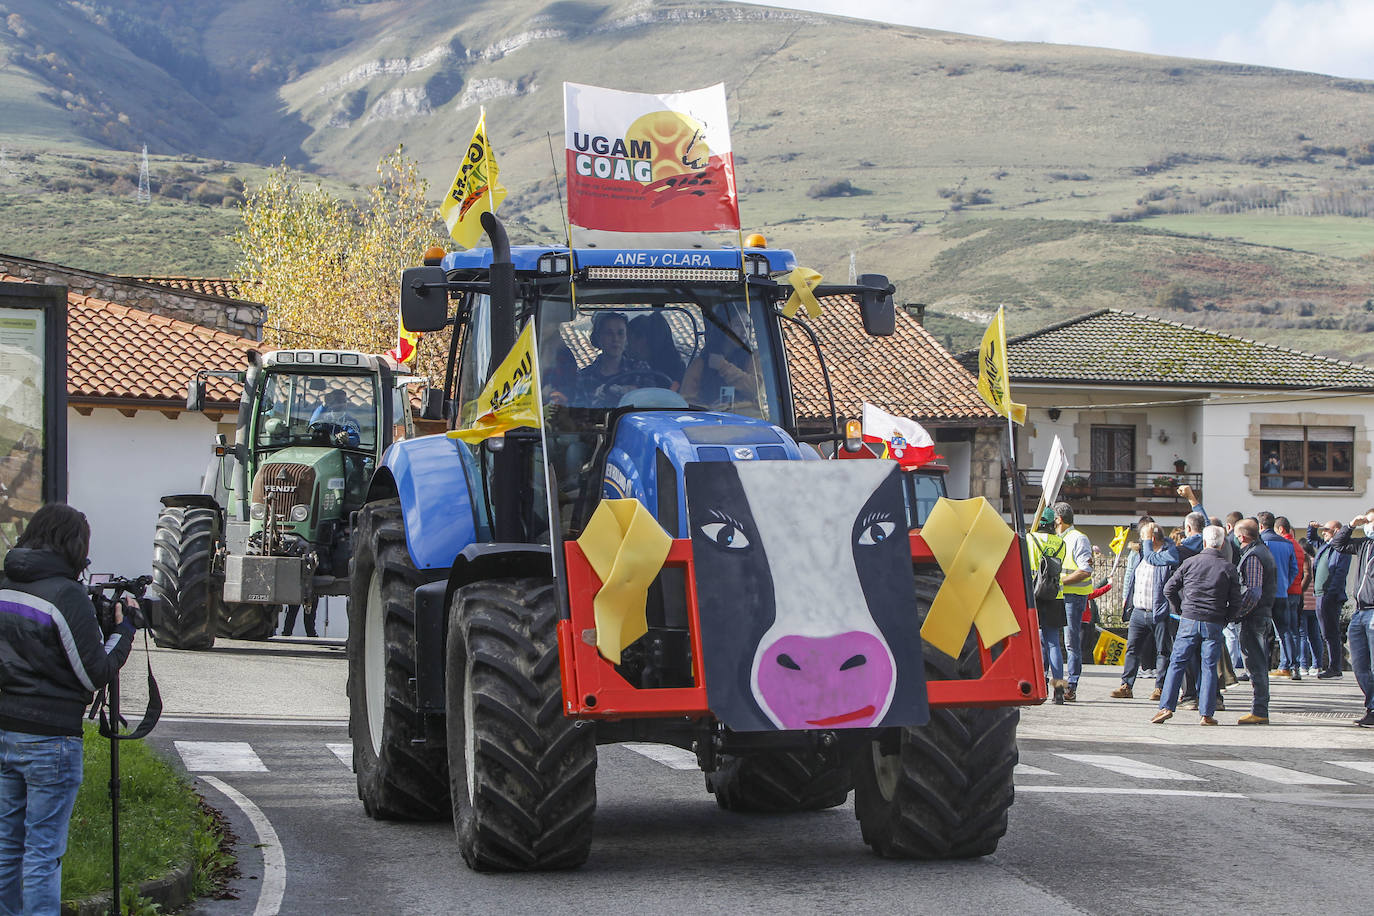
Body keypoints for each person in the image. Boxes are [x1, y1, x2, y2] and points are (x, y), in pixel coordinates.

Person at [0, 504, 136, 914]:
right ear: (74, 544)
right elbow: (94, 673)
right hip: (50, 740)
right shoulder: (65, 594)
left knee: (7, 845)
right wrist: (124, 629)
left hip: (5, 729)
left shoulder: (5, 584)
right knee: (42, 852)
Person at [1152, 526, 1241, 726]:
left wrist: (1180, 610)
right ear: (1222, 544)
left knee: (1177, 663)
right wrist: (1225, 618)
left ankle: (1166, 707)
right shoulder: (1228, 568)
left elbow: (1169, 589)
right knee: (1209, 667)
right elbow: (1236, 602)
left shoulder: (1190, 562)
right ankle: (1206, 714)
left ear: (1204, 542)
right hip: (1213, 620)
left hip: (1189, 618)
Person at [1112, 522, 1176, 701]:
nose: (1141, 541)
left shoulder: (1167, 553)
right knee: (1132, 648)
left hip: (1159, 611)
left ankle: (1160, 688)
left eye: (1144, 537)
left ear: (1153, 538)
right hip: (1139, 610)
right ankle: (1126, 685)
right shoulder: (1140, 554)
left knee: (1162, 650)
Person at [1326, 511, 1374, 727]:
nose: (1368, 524)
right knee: (1360, 665)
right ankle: (1371, 705)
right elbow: (1338, 543)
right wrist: (1352, 524)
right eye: (1367, 520)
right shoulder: (1364, 544)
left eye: (1371, 521)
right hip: (1360, 611)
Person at [1234, 518, 1278, 725]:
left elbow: (1252, 591)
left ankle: (1259, 710)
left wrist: (1237, 613)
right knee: (1257, 663)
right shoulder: (1262, 550)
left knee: (1256, 664)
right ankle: (1260, 709)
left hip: (1254, 616)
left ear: (1242, 536)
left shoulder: (1253, 556)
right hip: (1261, 614)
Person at [680, 305, 759, 410]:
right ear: (723, 328)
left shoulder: (753, 358)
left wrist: (723, 366)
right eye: (737, 325)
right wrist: (709, 409)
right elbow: (686, 401)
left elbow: (756, 390)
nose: (744, 331)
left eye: (748, 326)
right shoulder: (702, 363)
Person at [1052, 502, 1093, 702]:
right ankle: (1055, 685)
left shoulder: (1078, 539)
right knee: (1052, 641)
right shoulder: (1058, 539)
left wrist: (1059, 582)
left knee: (1070, 642)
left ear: (1059, 519)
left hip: (1073, 596)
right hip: (1059, 595)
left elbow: (1085, 570)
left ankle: (1072, 686)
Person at [1028, 509, 1069, 704]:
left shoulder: (1030, 539)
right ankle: (1059, 690)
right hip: (1055, 595)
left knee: (1034, 641)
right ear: (1054, 524)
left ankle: (1038, 686)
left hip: (1034, 595)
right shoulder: (1061, 542)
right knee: (1054, 643)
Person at [578, 311, 653, 406]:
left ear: (626, 338)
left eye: (620, 333)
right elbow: (579, 413)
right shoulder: (585, 376)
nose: (615, 339)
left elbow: (651, 402)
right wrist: (595, 402)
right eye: (609, 333)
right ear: (598, 338)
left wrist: (632, 392)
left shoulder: (641, 369)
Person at [1306, 519, 1351, 679]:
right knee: (1326, 632)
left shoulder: (1341, 548)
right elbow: (1312, 539)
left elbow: (1340, 574)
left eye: (1327, 530)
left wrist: (1331, 594)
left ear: (1337, 531)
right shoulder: (1326, 546)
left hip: (1329, 596)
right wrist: (1312, 527)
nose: (1323, 532)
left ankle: (1335, 667)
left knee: (1331, 632)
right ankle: (1333, 667)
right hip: (1320, 594)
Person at [1258, 511, 1300, 679]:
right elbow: (1294, 570)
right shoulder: (1287, 544)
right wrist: (1284, 583)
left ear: (1261, 526)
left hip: (1264, 594)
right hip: (1282, 592)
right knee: (1285, 631)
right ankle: (1292, 666)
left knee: (1261, 631)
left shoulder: (1261, 543)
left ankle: (1261, 667)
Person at [1275, 517, 1309, 679]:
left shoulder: (1285, 545)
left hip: (1286, 592)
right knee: (1294, 631)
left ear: (1281, 529)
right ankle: (1295, 665)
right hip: (1296, 592)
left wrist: (1283, 585)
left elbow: (1290, 569)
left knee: (1284, 631)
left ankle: (1286, 664)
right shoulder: (1297, 546)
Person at [627, 313, 686, 390]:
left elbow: (673, 395)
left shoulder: (677, 369)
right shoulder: (626, 366)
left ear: (643, 339)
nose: (627, 346)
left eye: (629, 340)